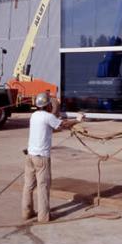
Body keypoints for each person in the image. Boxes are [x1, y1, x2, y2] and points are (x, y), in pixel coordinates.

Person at [22, 92, 84, 223]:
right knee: (43, 186)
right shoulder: (48, 117)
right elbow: (62, 125)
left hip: (30, 156)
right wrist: (77, 120)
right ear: (48, 105)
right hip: (42, 158)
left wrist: (58, 118)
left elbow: (50, 128)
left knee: (28, 185)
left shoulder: (34, 116)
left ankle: (27, 212)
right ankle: (44, 217)